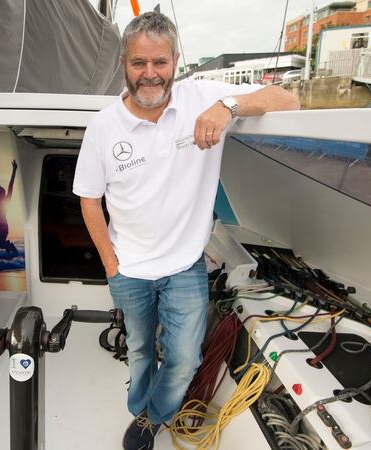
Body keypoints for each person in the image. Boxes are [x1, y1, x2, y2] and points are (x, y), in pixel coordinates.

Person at [72, 12, 300, 450]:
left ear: (176, 60)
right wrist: (111, 265)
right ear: (124, 64)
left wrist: (227, 106)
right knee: (139, 350)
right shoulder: (103, 126)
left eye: (160, 62)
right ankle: (142, 412)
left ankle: (155, 416)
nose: (150, 74)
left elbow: (286, 99)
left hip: (185, 266)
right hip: (129, 269)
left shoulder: (202, 96)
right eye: (139, 63)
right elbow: (88, 200)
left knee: (183, 359)